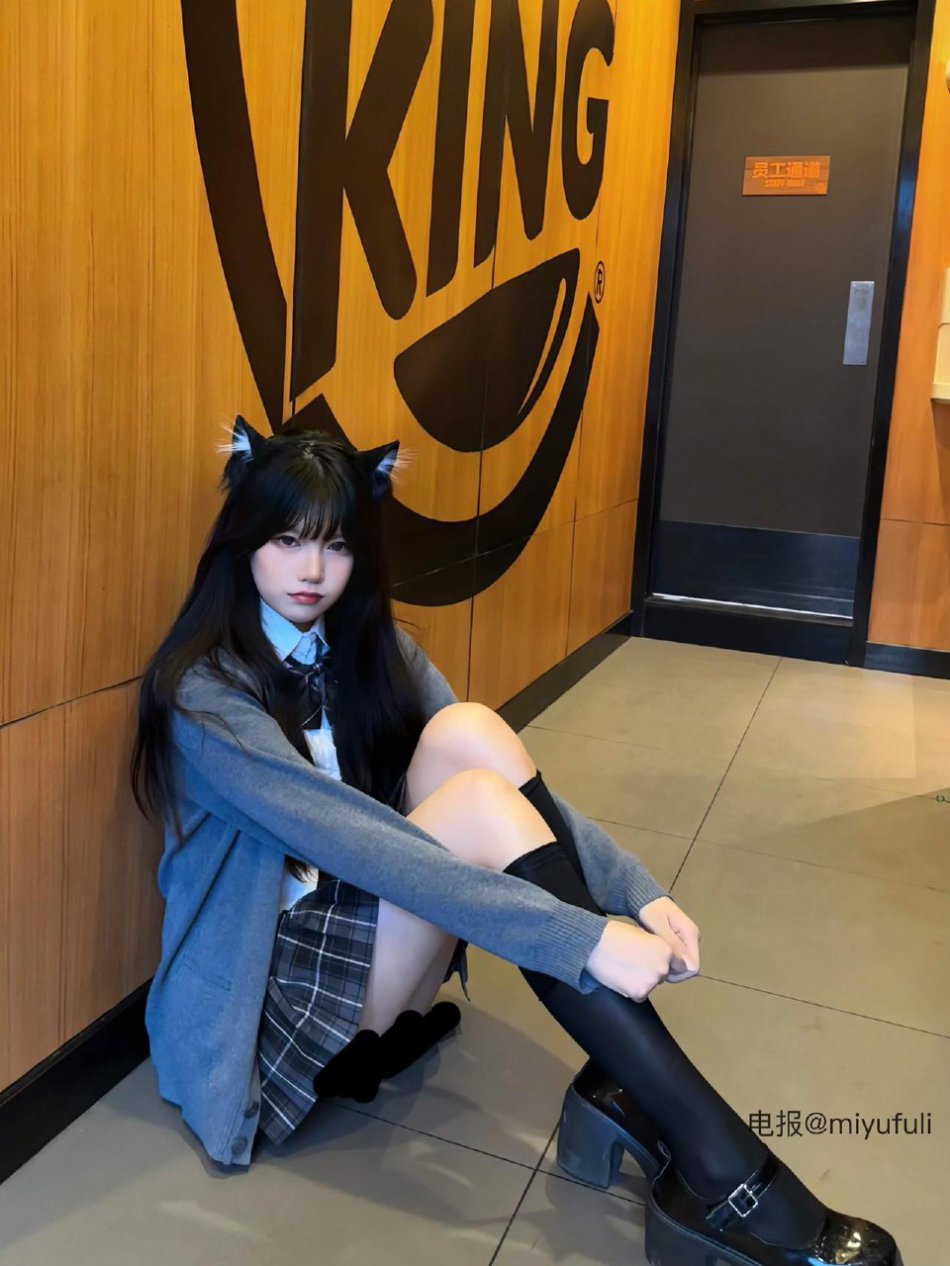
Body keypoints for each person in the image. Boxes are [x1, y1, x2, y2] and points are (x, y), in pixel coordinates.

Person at [130, 416, 902, 1266]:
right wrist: (582, 938)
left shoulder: (369, 646)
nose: (313, 571)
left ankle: (647, 1094)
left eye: (337, 546)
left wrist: (636, 890)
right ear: (242, 542)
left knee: (469, 730)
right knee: (473, 808)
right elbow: (353, 841)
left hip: (366, 938)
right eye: (286, 541)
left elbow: (520, 786)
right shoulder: (203, 692)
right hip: (272, 997)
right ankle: (717, 1161)